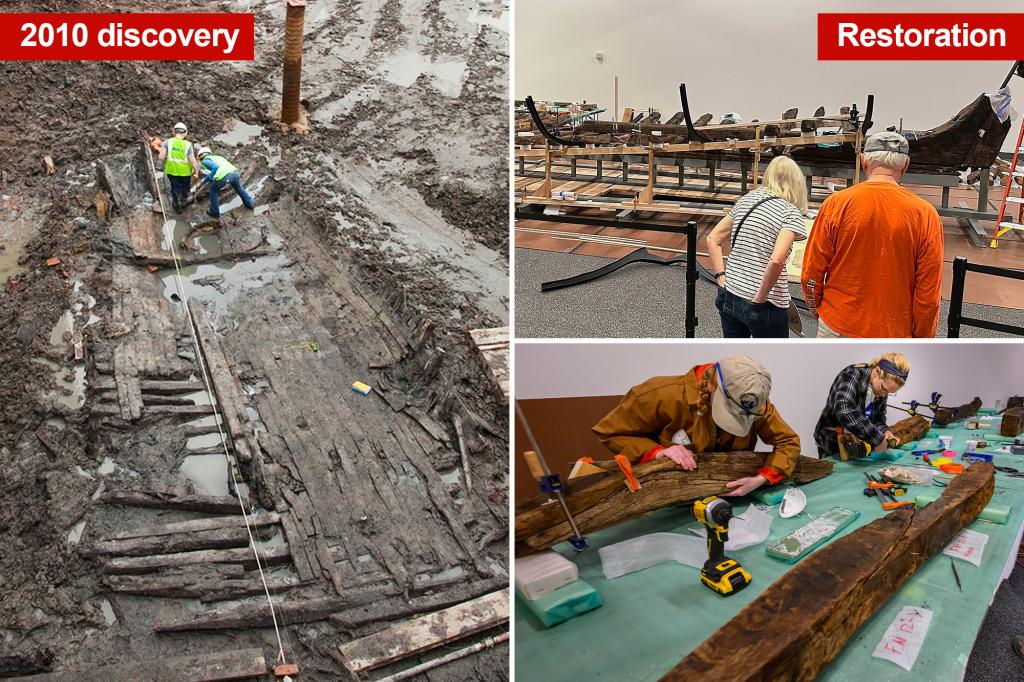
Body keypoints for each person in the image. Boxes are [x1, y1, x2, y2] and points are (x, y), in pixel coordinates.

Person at [592, 354, 801, 496]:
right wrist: (657, 452)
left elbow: (788, 441)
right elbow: (611, 432)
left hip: (729, 499)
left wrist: (762, 478)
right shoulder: (658, 394)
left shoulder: (754, 404)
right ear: (711, 385)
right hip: (668, 499)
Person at [800, 131, 944, 338]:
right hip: (893, 332)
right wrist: (922, 338)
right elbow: (928, 296)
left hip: (837, 323)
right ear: (905, 166)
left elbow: (810, 274)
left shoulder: (836, 205)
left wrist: (820, 312)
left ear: (863, 161)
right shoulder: (925, 214)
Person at [706, 156, 809, 338]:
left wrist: (720, 277)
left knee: (736, 359)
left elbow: (713, 238)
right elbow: (776, 260)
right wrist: (759, 298)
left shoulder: (747, 199)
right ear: (797, 182)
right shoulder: (790, 212)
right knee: (772, 360)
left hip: (730, 293)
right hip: (764, 303)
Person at [813, 352, 911, 458]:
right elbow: (844, 410)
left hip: (855, 444)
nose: (884, 395)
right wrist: (877, 437)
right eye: (884, 389)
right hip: (830, 442)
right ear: (876, 372)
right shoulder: (851, 375)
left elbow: (878, 418)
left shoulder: (882, 390)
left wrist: (885, 431)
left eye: (890, 392)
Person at [194, 147, 255, 218]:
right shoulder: (217, 157)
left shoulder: (205, 160)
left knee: (212, 191)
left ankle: (214, 212)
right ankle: (249, 203)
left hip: (225, 176)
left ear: (201, 156)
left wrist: (203, 182)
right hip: (234, 173)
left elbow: (216, 167)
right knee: (238, 187)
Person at [157, 122, 199, 214]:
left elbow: (161, 157)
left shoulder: (167, 142)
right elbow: (192, 160)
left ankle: (177, 206)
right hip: (185, 172)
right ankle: (184, 198)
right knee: (185, 186)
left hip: (172, 171)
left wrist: (166, 155)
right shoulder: (188, 145)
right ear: (185, 133)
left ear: (174, 132)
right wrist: (196, 170)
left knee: (174, 188)